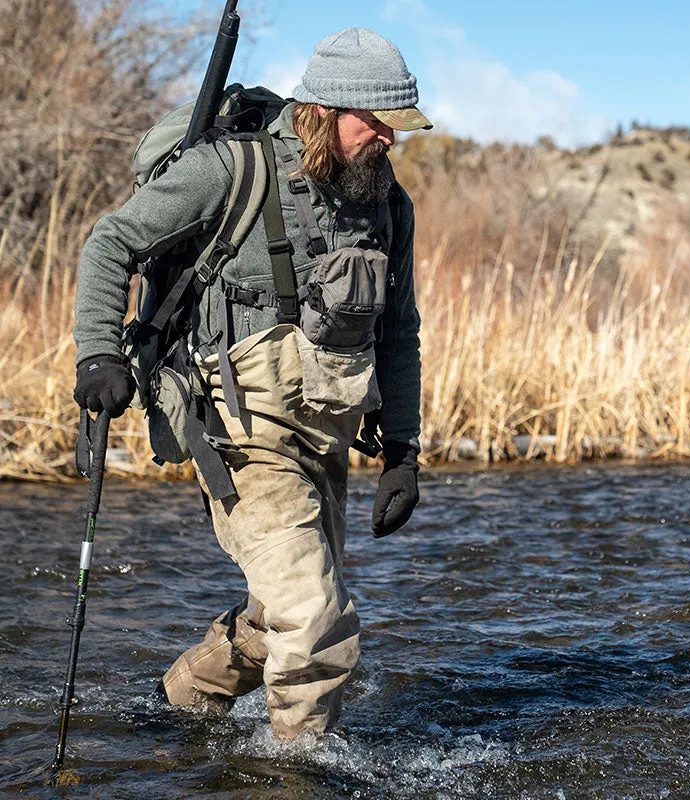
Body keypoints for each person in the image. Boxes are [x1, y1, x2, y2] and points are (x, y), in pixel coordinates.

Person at [72, 27, 432, 739]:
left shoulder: (390, 205)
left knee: (283, 613)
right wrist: (97, 355)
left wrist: (403, 452)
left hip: (323, 433)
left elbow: (400, 330)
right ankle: (291, 774)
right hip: (238, 435)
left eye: (400, 126)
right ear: (326, 110)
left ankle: (180, 705)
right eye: (378, 122)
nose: (391, 139)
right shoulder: (230, 171)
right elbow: (111, 243)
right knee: (315, 616)